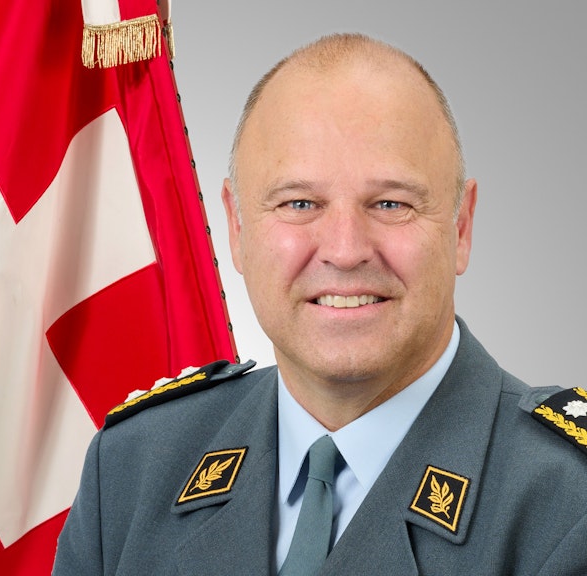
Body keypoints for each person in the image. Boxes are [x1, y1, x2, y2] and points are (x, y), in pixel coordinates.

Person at [52, 33, 587, 575]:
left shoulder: (570, 504)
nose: (346, 250)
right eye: (300, 203)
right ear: (237, 227)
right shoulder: (132, 471)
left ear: (462, 227)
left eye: (391, 203)